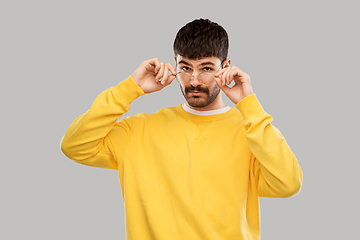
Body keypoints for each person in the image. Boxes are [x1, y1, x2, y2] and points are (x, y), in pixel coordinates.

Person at [61, 18, 303, 240]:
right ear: (174, 64)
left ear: (226, 66)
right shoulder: (139, 130)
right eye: (186, 68)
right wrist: (130, 88)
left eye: (206, 68)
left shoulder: (250, 131)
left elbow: (288, 183)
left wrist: (248, 104)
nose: (194, 81)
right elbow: (75, 146)